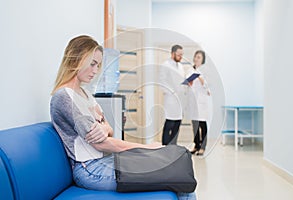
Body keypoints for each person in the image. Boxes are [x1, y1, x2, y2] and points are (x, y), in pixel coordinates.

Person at [50, 35, 196, 200]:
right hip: (90, 170)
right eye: (92, 64)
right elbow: (102, 143)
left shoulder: (85, 94)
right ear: (76, 59)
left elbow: (109, 130)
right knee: (181, 179)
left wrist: (104, 127)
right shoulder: (64, 97)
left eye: (98, 65)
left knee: (181, 170)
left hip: (107, 160)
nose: (96, 71)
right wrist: (146, 147)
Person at [159, 45, 185, 145]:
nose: (180, 56)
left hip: (180, 99)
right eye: (179, 54)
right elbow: (162, 81)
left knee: (177, 124)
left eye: (182, 55)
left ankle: (173, 146)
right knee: (170, 123)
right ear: (172, 53)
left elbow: (181, 81)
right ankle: (165, 147)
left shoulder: (181, 67)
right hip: (170, 98)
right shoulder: (166, 65)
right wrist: (172, 92)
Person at [186, 50, 210, 156]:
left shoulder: (205, 70)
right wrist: (188, 82)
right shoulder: (190, 70)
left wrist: (199, 76)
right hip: (193, 101)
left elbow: (207, 86)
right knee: (195, 125)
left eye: (199, 57)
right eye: (196, 56)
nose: (196, 59)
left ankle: (203, 147)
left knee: (202, 124)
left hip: (201, 102)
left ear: (202, 59)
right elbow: (187, 83)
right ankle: (196, 145)